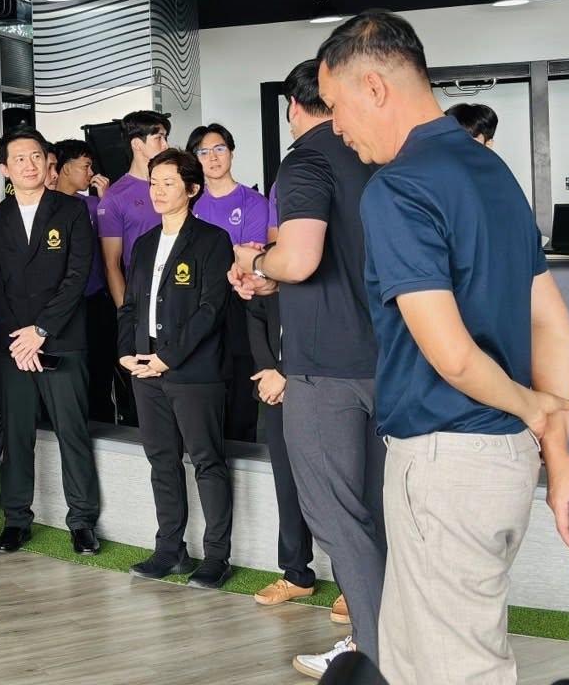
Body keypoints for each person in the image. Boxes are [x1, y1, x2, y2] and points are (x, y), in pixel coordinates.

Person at [315, 10, 569, 685]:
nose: (335, 125)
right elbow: (549, 322)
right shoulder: (490, 171)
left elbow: (452, 356)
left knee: (455, 670)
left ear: (374, 87)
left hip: (446, 464)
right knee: (414, 663)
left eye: (334, 105)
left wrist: (535, 411)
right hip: (502, 461)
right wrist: (556, 451)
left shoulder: (397, 188)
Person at [229, 59, 379, 677]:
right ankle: (392, 639)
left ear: (293, 106)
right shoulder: (377, 156)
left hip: (324, 369)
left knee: (337, 514)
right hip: (389, 357)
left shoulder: (306, 160)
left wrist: (258, 263)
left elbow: (301, 258)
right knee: (379, 510)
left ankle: (372, 649)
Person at [0, 125, 101, 555]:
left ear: (48, 161)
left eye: (35, 156)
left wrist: (41, 330)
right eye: (19, 159)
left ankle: (82, 521)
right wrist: (20, 339)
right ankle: (16, 519)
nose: (29, 165)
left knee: (73, 432)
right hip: (14, 346)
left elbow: (77, 275)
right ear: (4, 168)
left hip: (63, 339)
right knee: (16, 435)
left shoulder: (72, 211)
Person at [117, 148, 236, 590]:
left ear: (192, 188)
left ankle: (217, 556)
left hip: (193, 370)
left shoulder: (212, 240)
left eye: (169, 183)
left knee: (207, 460)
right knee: (161, 461)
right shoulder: (145, 242)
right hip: (145, 367)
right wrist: (126, 352)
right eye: (154, 183)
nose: (158, 191)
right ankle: (170, 549)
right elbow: (130, 305)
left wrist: (169, 357)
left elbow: (211, 310)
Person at [243, 188, 324, 613]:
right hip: (273, 390)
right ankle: (296, 573)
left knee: (337, 485)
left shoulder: (323, 267)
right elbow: (256, 319)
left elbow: (324, 329)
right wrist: (268, 372)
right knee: (286, 484)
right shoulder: (271, 264)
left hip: (320, 388)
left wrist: (286, 372)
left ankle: (354, 583)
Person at [187, 123, 266, 443]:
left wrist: (226, 257)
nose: (213, 157)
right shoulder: (191, 205)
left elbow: (251, 257)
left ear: (231, 152)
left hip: (240, 301)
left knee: (242, 386)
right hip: (198, 303)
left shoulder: (253, 202)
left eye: (219, 149)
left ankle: (243, 450)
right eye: (203, 152)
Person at [98, 110, 171, 422]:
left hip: (179, 296)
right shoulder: (115, 197)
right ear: (137, 144)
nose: (166, 144)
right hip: (140, 303)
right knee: (146, 391)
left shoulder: (174, 185)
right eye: (159, 137)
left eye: (166, 137)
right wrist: (126, 315)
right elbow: (111, 264)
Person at [56, 140, 121, 425]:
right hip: (62, 307)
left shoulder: (94, 205)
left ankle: (104, 429)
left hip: (95, 301)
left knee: (100, 372)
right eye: (86, 166)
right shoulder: (46, 207)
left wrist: (106, 199)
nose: (91, 172)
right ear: (65, 169)